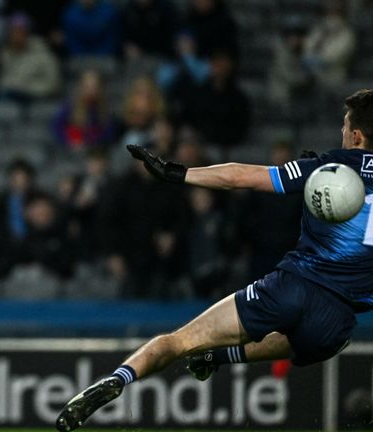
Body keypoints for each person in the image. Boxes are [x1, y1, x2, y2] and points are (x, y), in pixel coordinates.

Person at [56, 89, 373, 431]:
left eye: (344, 126)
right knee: (308, 341)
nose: (341, 132)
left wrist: (179, 174)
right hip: (337, 317)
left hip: (290, 287)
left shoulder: (329, 167)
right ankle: (217, 357)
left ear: (356, 136)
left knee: (179, 341)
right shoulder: (327, 168)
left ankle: (120, 378)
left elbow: (239, 177)